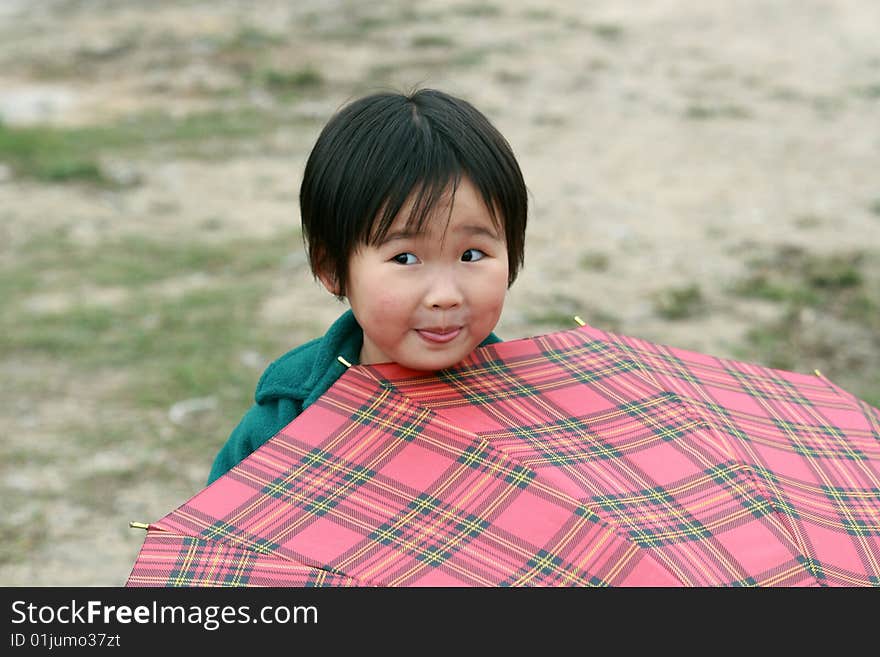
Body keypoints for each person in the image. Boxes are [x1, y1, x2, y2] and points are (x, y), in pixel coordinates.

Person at [206, 87, 529, 485]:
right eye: (405, 258)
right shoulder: (285, 427)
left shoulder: (534, 417)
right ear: (332, 268)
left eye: (472, 255)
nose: (445, 295)